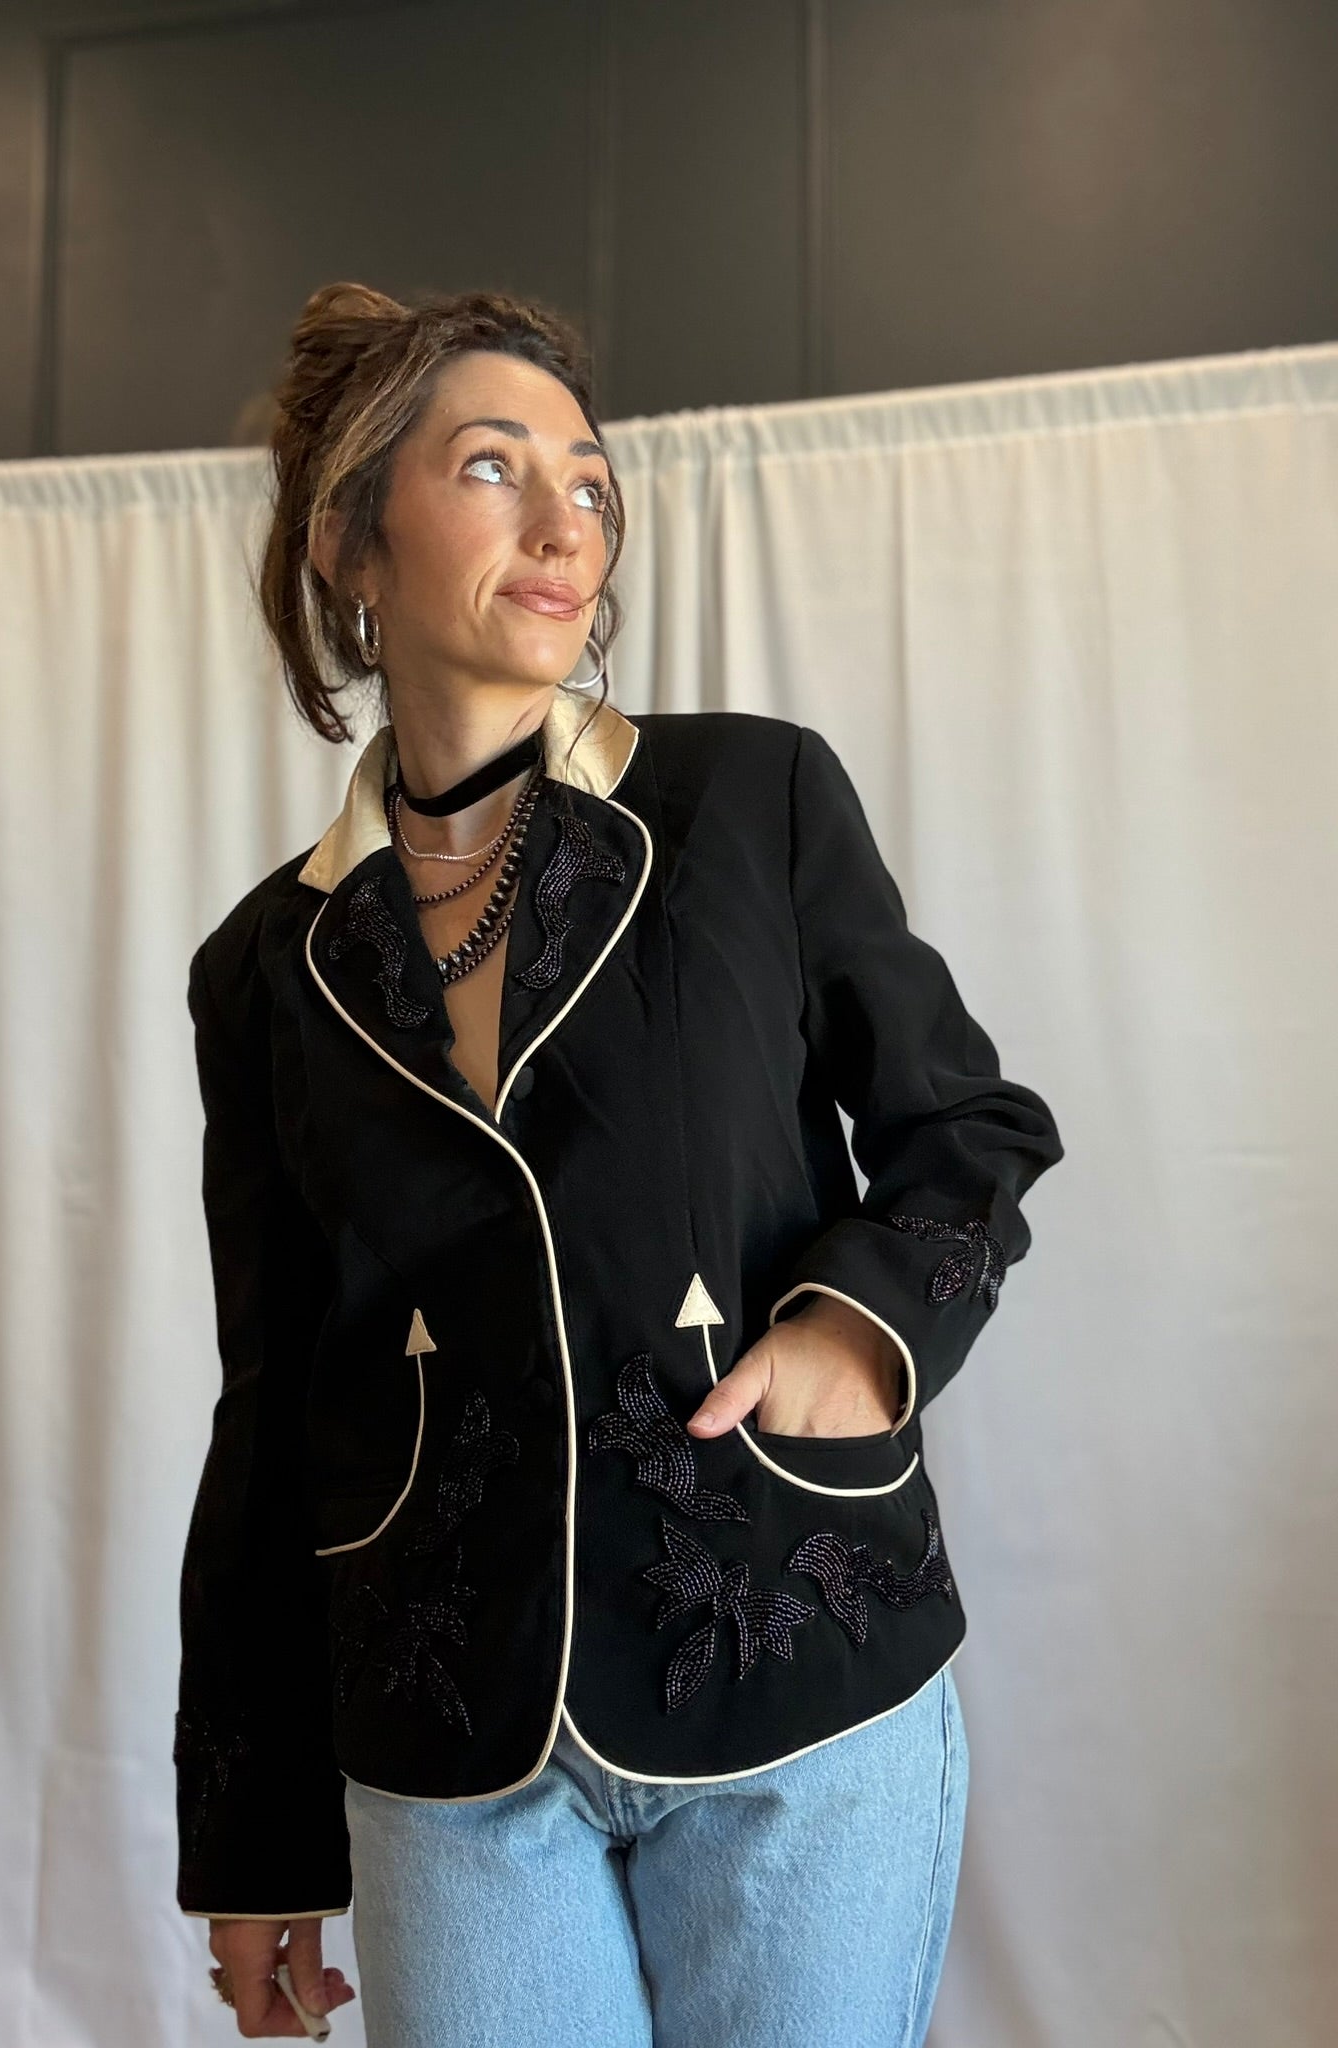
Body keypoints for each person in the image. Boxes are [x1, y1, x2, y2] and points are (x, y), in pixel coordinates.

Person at [173, 281, 1064, 2047]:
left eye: (588, 480)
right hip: (448, 1728)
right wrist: (253, 1830)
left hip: (793, 1654)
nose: (565, 519)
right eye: (490, 467)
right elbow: (275, 1403)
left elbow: (968, 1129)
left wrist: (857, 1330)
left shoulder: (752, 803)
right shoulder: (264, 967)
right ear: (350, 541)